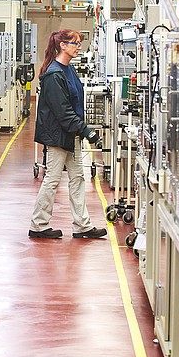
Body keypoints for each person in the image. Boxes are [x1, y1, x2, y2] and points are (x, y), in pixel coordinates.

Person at [29, 29, 107, 239]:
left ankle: (82, 225)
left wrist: (81, 131)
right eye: (75, 43)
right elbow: (63, 112)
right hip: (58, 137)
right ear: (62, 45)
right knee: (52, 180)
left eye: (79, 44)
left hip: (71, 134)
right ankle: (38, 224)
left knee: (78, 178)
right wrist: (87, 132)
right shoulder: (54, 74)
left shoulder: (68, 70)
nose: (78, 47)